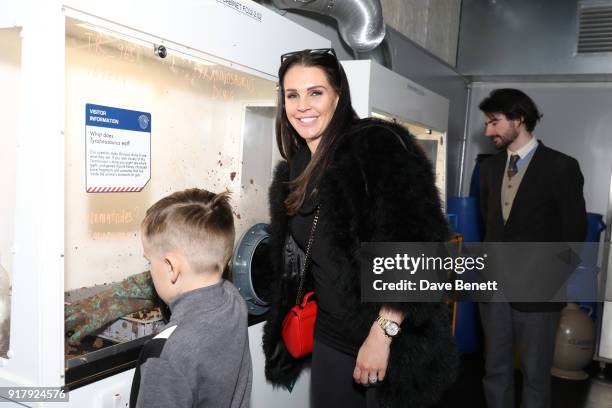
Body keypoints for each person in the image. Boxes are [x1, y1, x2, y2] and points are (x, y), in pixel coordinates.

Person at [262, 48, 458, 408]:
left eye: (315, 92)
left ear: (338, 95)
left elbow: (420, 250)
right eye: (293, 95)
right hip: (330, 339)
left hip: (393, 343)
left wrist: (382, 336)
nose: (303, 105)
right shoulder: (296, 169)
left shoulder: (378, 146)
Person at [478, 88, 587, 408]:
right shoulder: (488, 169)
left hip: (540, 294)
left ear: (519, 119)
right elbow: (491, 225)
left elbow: (575, 233)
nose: (488, 131)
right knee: (494, 371)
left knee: (536, 376)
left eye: (494, 122)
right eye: (486, 123)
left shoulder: (562, 167)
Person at [129, 188, 251, 408]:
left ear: (171, 267)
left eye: (149, 262)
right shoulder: (234, 302)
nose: (149, 270)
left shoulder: (166, 356)